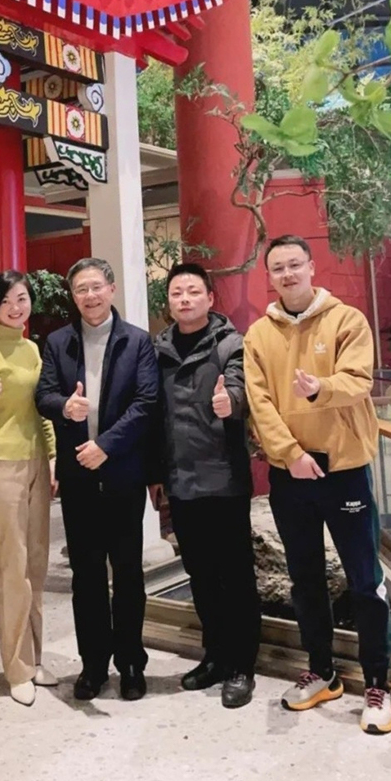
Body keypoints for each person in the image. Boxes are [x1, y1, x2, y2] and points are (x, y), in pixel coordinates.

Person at [244, 234, 391, 736]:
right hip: (291, 474)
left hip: (345, 468)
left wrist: (321, 388)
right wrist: (291, 454)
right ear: (269, 276)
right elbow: (260, 403)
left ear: (311, 267)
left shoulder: (347, 320)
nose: (288, 274)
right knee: (304, 578)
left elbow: (359, 380)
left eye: (295, 264)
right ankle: (322, 672)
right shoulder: (258, 335)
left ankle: (378, 685)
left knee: (364, 580)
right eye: (278, 268)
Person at [36, 258, 159, 702]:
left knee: (127, 572)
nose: (89, 296)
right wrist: (63, 407)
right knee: (85, 575)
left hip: (122, 473)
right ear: (74, 296)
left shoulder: (137, 341)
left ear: (111, 289)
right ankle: (92, 665)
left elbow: (146, 402)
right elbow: (43, 394)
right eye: (80, 289)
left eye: (95, 287)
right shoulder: (58, 342)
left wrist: (106, 445)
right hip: (78, 477)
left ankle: (131, 663)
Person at [150, 262, 261, 709]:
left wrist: (229, 401)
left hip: (224, 479)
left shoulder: (232, 344)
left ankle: (241, 666)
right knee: (200, 575)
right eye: (177, 292)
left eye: (193, 291)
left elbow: (240, 390)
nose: (185, 299)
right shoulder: (158, 350)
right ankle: (214, 656)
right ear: (168, 302)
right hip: (180, 481)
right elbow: (154, 417)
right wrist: (156, 474)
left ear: (210, 298)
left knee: (236, 576)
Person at [0, 271, 57, 706]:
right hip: (1, 464)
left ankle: (34, 658)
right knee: (10, 566)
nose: (16, 307)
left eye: (22, 298)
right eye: (7, 301)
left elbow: (42, 410)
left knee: (36, 564)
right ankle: (16, 667)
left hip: (37, 461)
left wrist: (52, 455)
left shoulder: (32, 348)